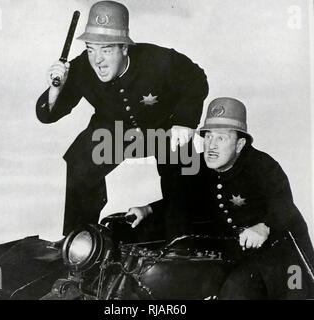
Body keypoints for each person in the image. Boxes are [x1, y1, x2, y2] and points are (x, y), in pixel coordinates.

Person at [36, 1, 209, 235]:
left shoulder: (158, 60)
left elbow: (195, 78)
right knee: (79, 161)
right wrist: (55, 90)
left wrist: (186, 121)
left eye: (106, 50)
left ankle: (182, 244)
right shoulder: (80, 69)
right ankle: (79, 244)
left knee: (186, 174)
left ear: (124, 48)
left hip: (164, 129)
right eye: (90, 49)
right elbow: (48, 116)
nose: (97, 60)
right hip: (114, 133)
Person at [128, 97, 314, 299]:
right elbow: (181, 201)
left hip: (276, 251)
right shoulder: (198, 166)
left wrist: (263, 226)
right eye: (208, 137)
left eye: (221, 138)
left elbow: (284, 207)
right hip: (232, 253)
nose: (211, 146)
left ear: (240, 144)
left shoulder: (262, 166)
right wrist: (147, 209)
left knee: (239, 292)